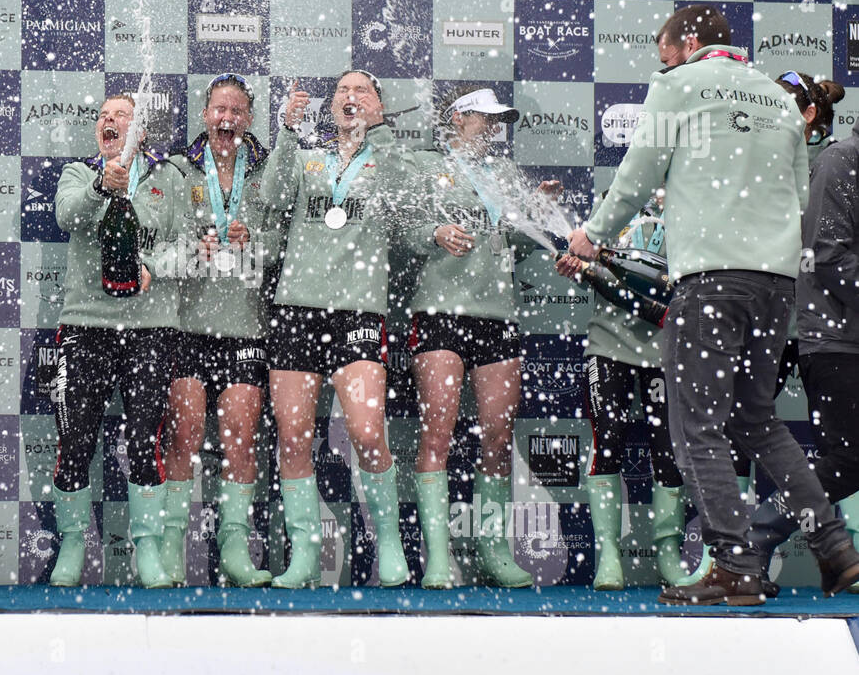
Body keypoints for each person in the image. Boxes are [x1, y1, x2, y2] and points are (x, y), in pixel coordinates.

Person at [568, 3, 859, 603]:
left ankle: (734, 564)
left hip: (711, 280)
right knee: (754, 420)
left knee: (696, 425)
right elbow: (799, 196)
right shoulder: (776, 98)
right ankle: (835, 548)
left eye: (665, 50)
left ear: (690, 42)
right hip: (777, 284)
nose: (663, 61)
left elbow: (639, 172)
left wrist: (592, 236)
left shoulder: (679, 86)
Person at [401, 86, 556, 589]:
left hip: (497, 311)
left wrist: (532, 215)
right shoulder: (425, 167)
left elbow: (511, 244)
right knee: (438, 434)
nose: (493, 128)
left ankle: (492, 548)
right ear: (459, 119)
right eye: (485, 119)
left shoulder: (505, 174)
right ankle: (438, 556)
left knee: (496, 435)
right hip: (440, 309)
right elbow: (399, 231)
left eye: (498, 121)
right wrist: (434, 233)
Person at [260, 70, 409, 589]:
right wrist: (284, 131)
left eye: (361, 91)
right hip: (297, 308)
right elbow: (274, 198)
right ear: (328, 107)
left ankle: (388, 543)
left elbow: (407, 207)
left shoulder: (390, 159)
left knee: (368, 431)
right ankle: (304, 554)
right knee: (294, 437)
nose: (349, 98)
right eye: (341, 92)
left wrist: (379, 133)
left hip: (359, 310)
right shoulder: (308, 158)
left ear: (379, 105)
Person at [49, 93, 186, 588]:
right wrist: (103, 188)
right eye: (103, 117)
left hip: (150, 329)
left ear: (140, 131)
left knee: (145, 442)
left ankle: (147, 548)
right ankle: (70, 544)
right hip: (86, 325)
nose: (108, 122)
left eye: (120, 116)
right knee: (75, 441)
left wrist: (156, 267)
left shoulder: (168, 177)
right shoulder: (78, 175)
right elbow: (69, 217)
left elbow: (189, 247)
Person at [745, 73, 859, 593]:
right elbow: (830, 257)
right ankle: (757, 535)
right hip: (836, 340)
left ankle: (827, 559)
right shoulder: (841, 161)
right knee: (846, 459)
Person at [161, 73, 275, 587]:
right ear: (205, 115)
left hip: (246, 326)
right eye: (219, 110)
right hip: (188, 326)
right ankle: (168, 550)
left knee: (241, 440)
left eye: (237, 111)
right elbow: (155, 250)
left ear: (248, 119)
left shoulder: (269, 172)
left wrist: (257, 239)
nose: (227, 120)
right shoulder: (178, 170)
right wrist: (192, 253)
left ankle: (233, 547)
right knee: (184, 438)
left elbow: (290, 244)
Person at [557, 195, 695, 590]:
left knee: (668, 452)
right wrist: (579, 268)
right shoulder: (612, 205)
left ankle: (667, 554)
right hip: (607, 344)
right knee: (608, 443)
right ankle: (609, 556)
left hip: (665, 351)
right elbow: (593, 264)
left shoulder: (693, 203)